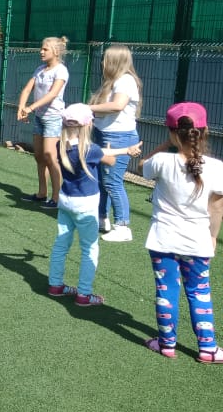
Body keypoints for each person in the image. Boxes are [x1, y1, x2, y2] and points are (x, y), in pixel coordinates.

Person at [140, 102, 223, 362]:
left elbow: (142, 164)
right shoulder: (217, 167)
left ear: (172, 133)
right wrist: (212, 236)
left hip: (162, 241)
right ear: (205, 131)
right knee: (199, 292)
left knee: (166, 292)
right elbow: (217, 208)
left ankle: (166, 344)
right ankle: (208, 348)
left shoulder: (161, 162)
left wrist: (167, 144)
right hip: (198, 242)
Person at [47, 103, 139, 306]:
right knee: (89, 248)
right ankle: (84, 294)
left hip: (65, 201)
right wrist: (126, 150)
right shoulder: (92, 150)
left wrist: (120, 150)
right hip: (86, 205)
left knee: (61, 244)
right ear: (88, 125)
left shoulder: (61, 146)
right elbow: (110, 161)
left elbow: (98, 153)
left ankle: (55, 285)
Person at [88, 44, 143, 242]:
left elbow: (117, 105)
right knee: (102, 180)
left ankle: (123, 226)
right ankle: (102, 218)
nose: (102, 63)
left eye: (106, 59)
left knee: (112, 182)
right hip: (104, 134)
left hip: (118, 137)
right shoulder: (112, 81)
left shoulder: (125, 81)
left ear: (114, 61)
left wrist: (87, 108)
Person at [17, 36, 70, 209]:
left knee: (50, 156)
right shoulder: (40, 69)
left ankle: (57, 198)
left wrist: (30, 108)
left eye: (45, 49)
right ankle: (42, 193)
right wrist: (21, 108)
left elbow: (52, 94)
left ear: (56, 51)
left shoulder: (61, 71)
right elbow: (27, 89)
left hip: (54, 118)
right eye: (41, 48)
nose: (41, 51)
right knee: (39, 156)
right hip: (40, 118)